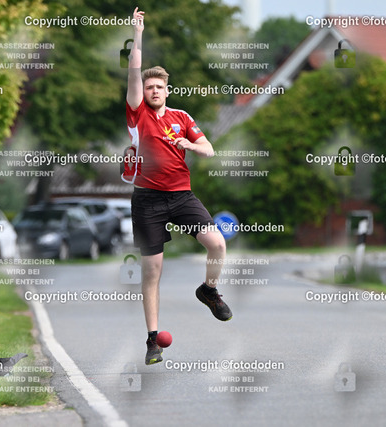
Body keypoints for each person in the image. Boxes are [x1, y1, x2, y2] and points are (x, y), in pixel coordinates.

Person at [123, 7, 232, 365]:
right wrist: (138, 34)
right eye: (149, 87)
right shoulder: (137, 113)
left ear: (167, 91)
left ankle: (209, 290)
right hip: (148, 201)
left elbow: (209, 149)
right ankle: (152, 340)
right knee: (152, 270)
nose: (153, 90)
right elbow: (134, 71)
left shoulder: (181, 117)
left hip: (181, 196)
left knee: (217, 243)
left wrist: (191, 145)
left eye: (159, 87)